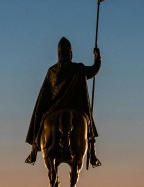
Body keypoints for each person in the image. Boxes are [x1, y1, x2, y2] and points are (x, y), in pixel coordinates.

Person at [25, 37, 102, 167]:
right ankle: (93, 153)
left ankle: (34, 150)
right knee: (87, 123)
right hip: (75, 107)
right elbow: (93, 70)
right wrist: (97, 57)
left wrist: (41, 110)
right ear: (70, 53)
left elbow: (44, 95)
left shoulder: (52, 71)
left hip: (54, 108)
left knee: (41, 117)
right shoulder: (78, 68)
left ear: (59, 54)